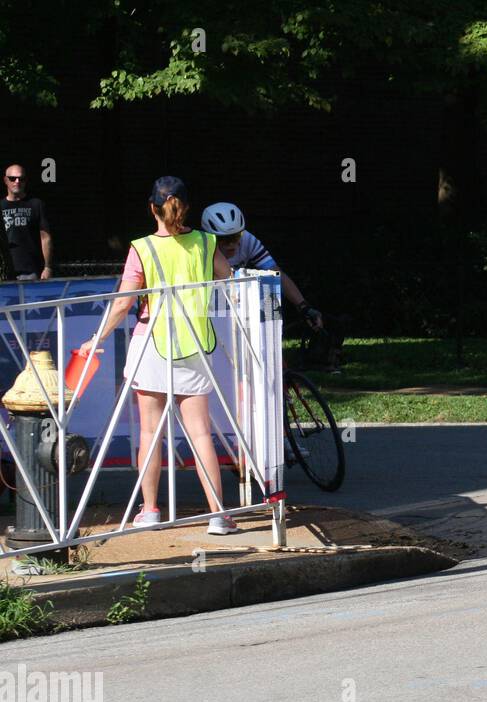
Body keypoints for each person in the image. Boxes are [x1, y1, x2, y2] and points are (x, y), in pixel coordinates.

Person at [78, 176, 237, 535]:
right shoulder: (207, 242)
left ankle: (150, 511)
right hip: (195, 343)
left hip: (151, 342)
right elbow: (229, 282)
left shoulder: (142, 248)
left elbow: (123, 304)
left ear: (153, 208)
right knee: (199, 434)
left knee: (150, 432)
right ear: (187, 207)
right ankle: (218, 514)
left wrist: (95, 338)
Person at [200, 201, 343, 370]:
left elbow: (277, 275)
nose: (231, 245)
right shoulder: (200, 247)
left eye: (235, 237)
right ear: (210, 237)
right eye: (224, 240)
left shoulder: (247, 240)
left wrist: (304, 307)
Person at [2, 164, 53, 280]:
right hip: (6, 272)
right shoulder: (1, 206)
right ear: (5, 180)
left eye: (21, 179)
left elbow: (45, 237)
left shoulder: (36, 204)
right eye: (12, 178)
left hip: (32, 270)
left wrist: (47, 267)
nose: (17, 181)